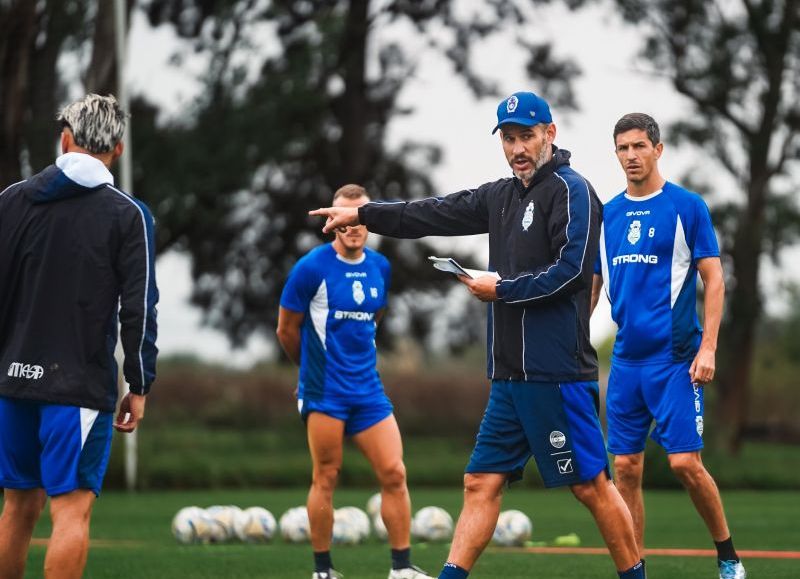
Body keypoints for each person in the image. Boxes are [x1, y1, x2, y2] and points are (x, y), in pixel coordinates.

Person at [310, 92, 645, 579]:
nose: (517, 149)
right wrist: (364, 215)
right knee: (479, 482)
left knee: (591, 486)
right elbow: (432, 212)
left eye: (526, 136)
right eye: (508, 139)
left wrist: (502, 288)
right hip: (508, 376)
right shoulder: (501, 196)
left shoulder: (573, 191)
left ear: (550, 134)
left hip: (556, 374)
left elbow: (573, 272)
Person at [0, 94, 158, 579]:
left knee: (16, 507)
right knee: (70, 511)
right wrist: (139, 382)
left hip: (10, 380)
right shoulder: (129, 215)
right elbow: (139, 309)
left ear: (64, 139)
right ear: (120, 150)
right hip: (77, 388)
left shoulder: (9, 200)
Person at [591, 113, 745, 579]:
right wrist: (574, 338)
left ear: (658, 149)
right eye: (623, 148)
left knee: (684, 464)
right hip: (625, 362)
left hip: (677, 359)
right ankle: (635, 570)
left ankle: (728, 556)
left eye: (639, 146)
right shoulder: (608, 214)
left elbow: (714, 278)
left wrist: (709, 348)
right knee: (626, 468)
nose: (631, 156)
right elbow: (595, 284)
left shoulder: (686, 206)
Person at [277, 184, 433, 579]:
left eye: (361, 216)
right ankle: (323, 570)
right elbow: (286, 330)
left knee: (395, 473)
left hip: (369, 391)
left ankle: (401, 569)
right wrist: (307, 369)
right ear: (332, 220)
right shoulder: (311, 269)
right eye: (344, 216)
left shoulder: (381, 267)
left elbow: (375, 317)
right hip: (324, 391)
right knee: (326, 476)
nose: (353, 225)